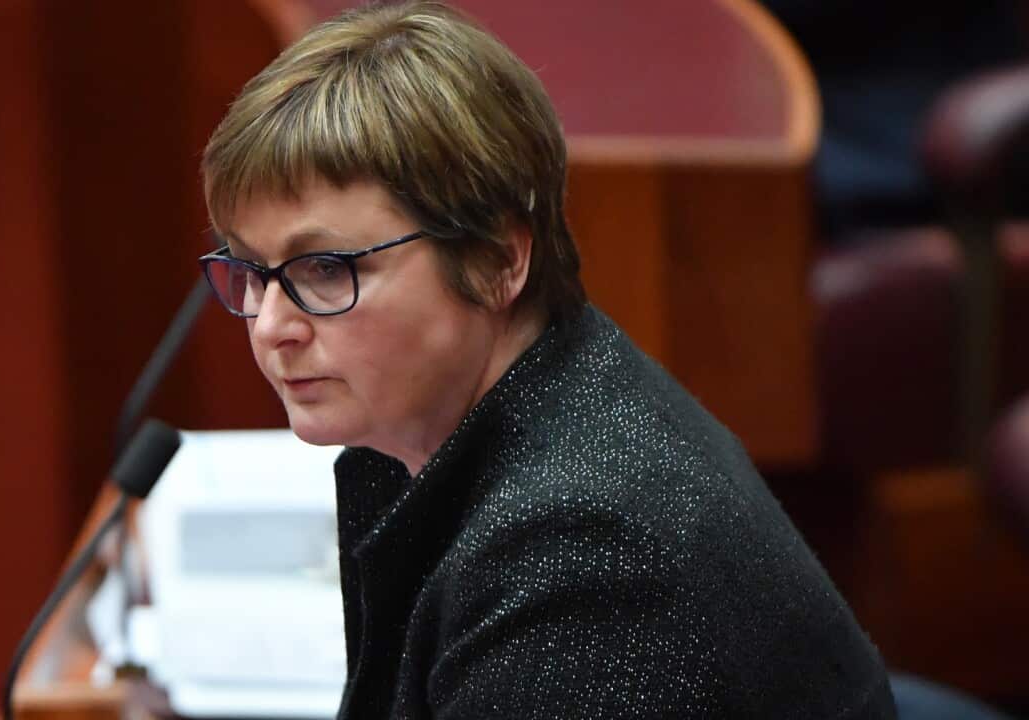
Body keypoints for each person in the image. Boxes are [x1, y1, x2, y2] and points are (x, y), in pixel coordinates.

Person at [196, 2, 897, 717]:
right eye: (252, 271)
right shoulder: (467, 426)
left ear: (499, 261)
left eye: (323, 269)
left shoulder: (579, 555)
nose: (271, 325)